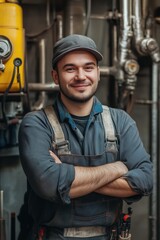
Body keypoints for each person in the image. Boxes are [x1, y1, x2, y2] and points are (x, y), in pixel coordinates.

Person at [18, 34, 153, 240]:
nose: (81, 76)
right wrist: (117, 168)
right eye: (70, 69)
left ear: (98, 73)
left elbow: (144, 181)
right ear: (56, 77)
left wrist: (67, 178)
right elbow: (49, 184)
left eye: (88, 67)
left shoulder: (121, 121)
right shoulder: (36, 123)